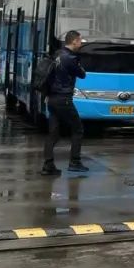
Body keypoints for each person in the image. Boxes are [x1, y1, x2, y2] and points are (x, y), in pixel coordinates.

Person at [42, 30, 88, 176]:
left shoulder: (56, 54)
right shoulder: (71, 58)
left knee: (53, 133)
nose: (81, 43)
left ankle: (48, 165)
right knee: (78, 129)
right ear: (74, 41)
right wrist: (80, 64)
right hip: (64, 99)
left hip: (52, 99)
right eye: (80, 41)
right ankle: (75, 162)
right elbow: (82, 74)